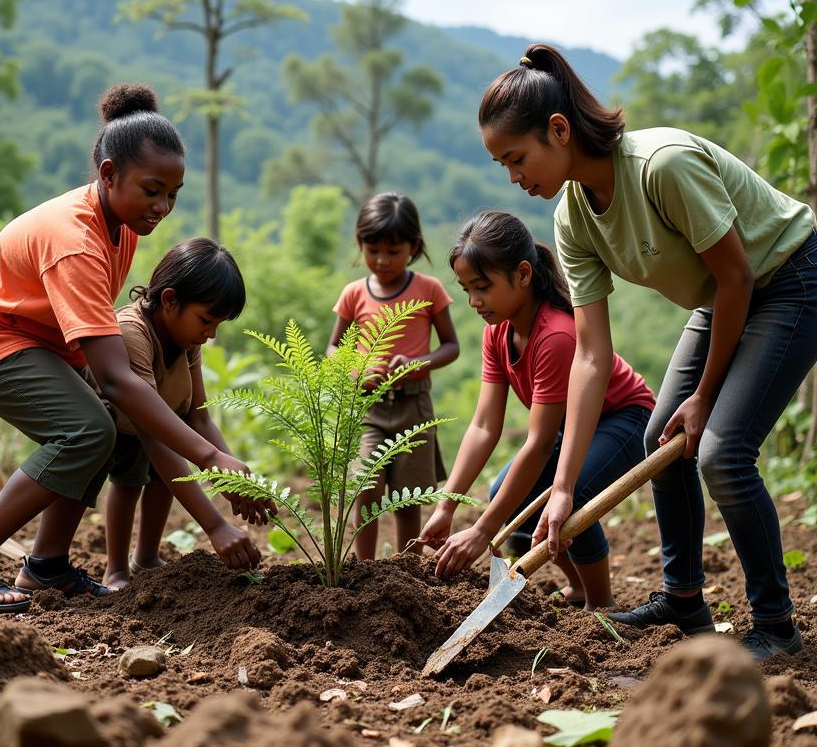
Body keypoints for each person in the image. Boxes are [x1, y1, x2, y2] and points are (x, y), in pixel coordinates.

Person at [479, 43, 817, 659]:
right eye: (503, 164)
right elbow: (590, 355)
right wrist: (561, 488)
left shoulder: (661, 166)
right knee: (661, 436)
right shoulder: (572, 219)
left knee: (721, 452)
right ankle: (682, 597)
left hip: (788, 278)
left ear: (558, 131)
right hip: (724, 298)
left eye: (516, 158)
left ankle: (776, 626)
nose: (514, 177)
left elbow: (740, 277)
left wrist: (706, 397)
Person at [0, 84, 260, 613]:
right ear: (109, 175)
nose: (163, 207)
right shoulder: (76, 239)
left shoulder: (122, 227)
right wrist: (212, 457)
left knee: (97, 429)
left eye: (172, 194)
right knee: (87, 428)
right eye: (152, 190)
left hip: (43, 341)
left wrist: (210, 452)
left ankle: (47, 567)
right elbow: (116, 380)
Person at [419, 211, 654, 606]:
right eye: (467, 290)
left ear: (523, 275)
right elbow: (483, 426)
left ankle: (600, 603)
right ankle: (578, 585)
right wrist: (447, 505)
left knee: (569, 495)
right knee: (503, 491)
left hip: (624, 417)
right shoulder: (497, 331)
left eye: (483, 287)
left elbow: (541, 442)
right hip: (573, 424)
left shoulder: (556, 336)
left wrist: (482, 531)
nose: (474, 301)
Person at [102, 237, 272, 589]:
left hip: (165, 425)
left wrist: (233, 480)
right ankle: (116, 568)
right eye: (206, 320)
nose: (210, 334)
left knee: (169, 478)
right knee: (130, 482)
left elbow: (199, 417)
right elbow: (151, 433)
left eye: (218, 325)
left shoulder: (186, 339)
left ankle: (146, 557)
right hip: (124, 425)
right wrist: (215, 525)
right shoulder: (131, 333)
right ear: (169, 300)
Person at [328, 192, 459, 558]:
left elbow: (451, 346)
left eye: (393, 251)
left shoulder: (429, 289)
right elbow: (334, 346)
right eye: (373, 251)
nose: (382, 260)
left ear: (413, 247)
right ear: (360, 244)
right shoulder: (354, 293)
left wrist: (418, 364)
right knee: (365, 487)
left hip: (413, 407)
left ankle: (407, 568)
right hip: (368, 408)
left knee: (407, 497)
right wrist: (356, 370)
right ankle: (365, 568)